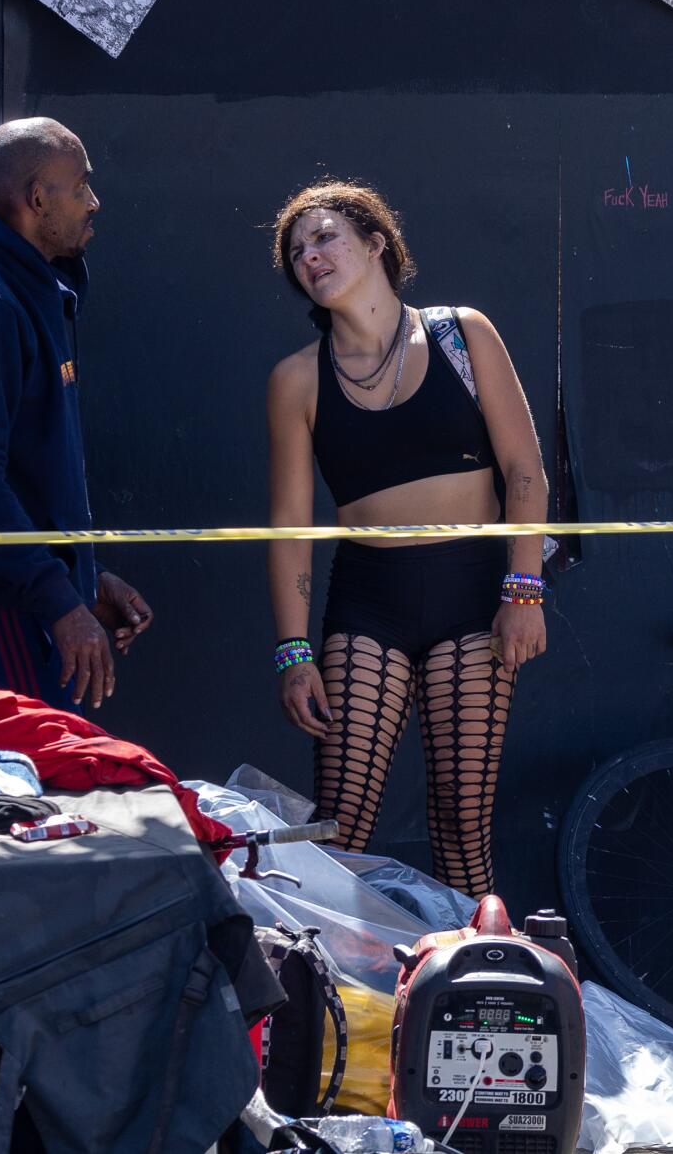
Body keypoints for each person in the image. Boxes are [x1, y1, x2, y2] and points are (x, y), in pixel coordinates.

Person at [265, 180, 547, 896]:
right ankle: (314, 994)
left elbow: (524, 474)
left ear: (376, 244)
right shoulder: (297, 379)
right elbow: (290, 530)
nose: (310, 255)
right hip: (368, 604)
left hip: (475, 598)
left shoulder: (462, 332)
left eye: (324, 236)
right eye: (297, 251)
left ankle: (486, 990)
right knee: (341, 823)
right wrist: (294, 654)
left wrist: (524, 588)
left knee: (461, 824)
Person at [0, 118, 151, 712]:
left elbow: (26, 472)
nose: (95, 202)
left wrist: (82, 580)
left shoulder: (30, 291)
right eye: (81, 186)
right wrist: (59, 601)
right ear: (37, 199)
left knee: (46, 789)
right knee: (22, 794)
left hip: (22, 603)